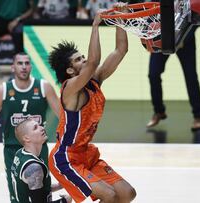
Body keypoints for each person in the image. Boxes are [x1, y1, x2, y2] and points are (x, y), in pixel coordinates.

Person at [48, 5, 136, 203]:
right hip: (66, 158)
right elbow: (94, 62)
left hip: (85, 152)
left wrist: (119, 20)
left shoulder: (94, 80)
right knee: (110, 196)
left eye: (83, 57)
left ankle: (64, 198)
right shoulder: (70, 88)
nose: (85, 59)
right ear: (70, 71)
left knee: (127, 193)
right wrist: (95, 24)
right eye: (79, 60)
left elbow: (121, 50)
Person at [0, 52, 60, 203]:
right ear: (13, 67)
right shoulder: (3, 90)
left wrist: (65, 142)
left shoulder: (43, 87)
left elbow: (62, 116)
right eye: (20, 63)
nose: (23, 67)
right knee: (17, 195)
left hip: (38, 148)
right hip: (13, 149)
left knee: (41, 189)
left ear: (31, 66)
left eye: (26, 63)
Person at [143, 25, 200, 130]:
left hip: (185, 39)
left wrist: (183, 37)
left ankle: (198, 116)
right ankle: (159, 111)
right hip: (162, 38)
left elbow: (195, 20)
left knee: (191, 76)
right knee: (153, 74)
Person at [11, 119, 72, 203]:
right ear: (26, 138)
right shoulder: (33, 167)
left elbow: (34, 189)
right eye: (35, 128)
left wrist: (59, 186)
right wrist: (65, 201)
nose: (42, 128)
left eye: (39, 125)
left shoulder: (20, 153)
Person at [0, 0, 34, 83]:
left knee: (18, 33)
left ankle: (17, 70)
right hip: (1, 20)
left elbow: (32, 9)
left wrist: (18, 19)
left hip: (19, 19)